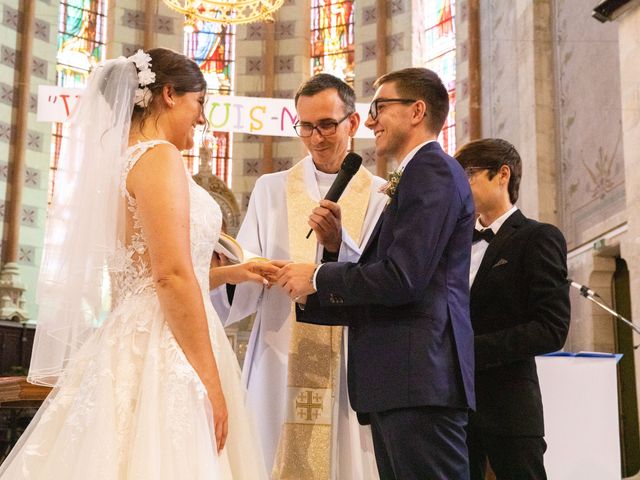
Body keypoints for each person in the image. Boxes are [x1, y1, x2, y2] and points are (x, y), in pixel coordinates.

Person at [0, 48, 272, 479]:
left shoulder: (115, 163)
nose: (202, 119)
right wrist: (211, 381)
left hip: (129, 334)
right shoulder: (158, 157)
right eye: (199, 103)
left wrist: (229, 273)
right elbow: (169, 276)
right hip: (169, 345)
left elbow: (143, 273)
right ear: (168, 94)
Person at [274, 67, 476, 480]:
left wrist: (317, 278)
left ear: (417, 110)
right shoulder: (418, 174)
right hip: (403, 381)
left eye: (380, 107)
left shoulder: (431, 171)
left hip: (416, 378)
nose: (369, 121)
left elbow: (402, 278)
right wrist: (329, 258)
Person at [212, 73, 386, 478]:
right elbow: (244, 278)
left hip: (347, 353)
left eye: (327, 124)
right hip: (279, 346)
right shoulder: (271, 189)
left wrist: (337, 247)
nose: (316, 137)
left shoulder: (380, 194)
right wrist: (238, 269)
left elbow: (383, 277)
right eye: (305, 126)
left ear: (353, 123)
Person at [454, 138, 570, 480]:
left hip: (508, 405)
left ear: (501, 174)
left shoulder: (538, 237)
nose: (460, 187)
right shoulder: (455, 244)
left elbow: (551, 328)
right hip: (455, 407)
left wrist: (468, 351)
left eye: (468, 176)